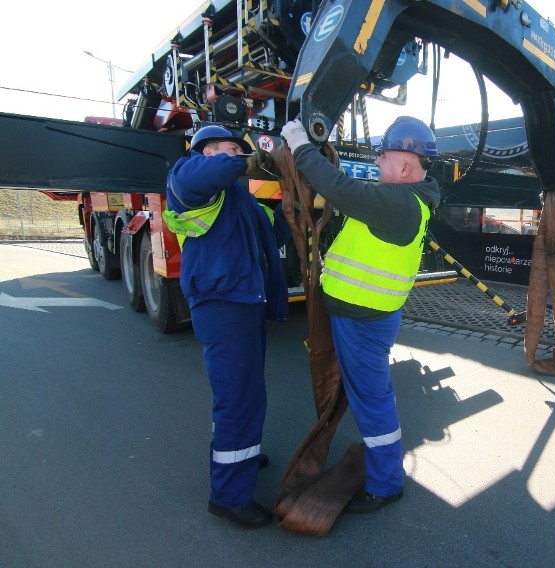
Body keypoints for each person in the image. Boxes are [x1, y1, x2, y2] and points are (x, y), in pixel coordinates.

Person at [280, 116, 440, 514]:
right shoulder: (403, 200)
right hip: (361, 315)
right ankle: (380, 471)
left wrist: (300, 144)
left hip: (363, 321)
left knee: (372, 400)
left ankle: (386, 484)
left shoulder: (398, 202)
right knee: (366, 395)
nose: (377, 164)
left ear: (405, 166)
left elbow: (336, 187)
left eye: (382, 156)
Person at [164, 125, 288, 528]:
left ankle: (243, 453)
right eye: (228, 149)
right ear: (204, 151)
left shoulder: (236, 196)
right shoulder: (188, 177)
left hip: (243, 303)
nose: (236, 155)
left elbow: (269, 230)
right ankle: (229, 496)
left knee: (246, 393)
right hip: (222, 304)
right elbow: (204, 174)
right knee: (238, 398)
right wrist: (238, 160)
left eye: (239, 149)